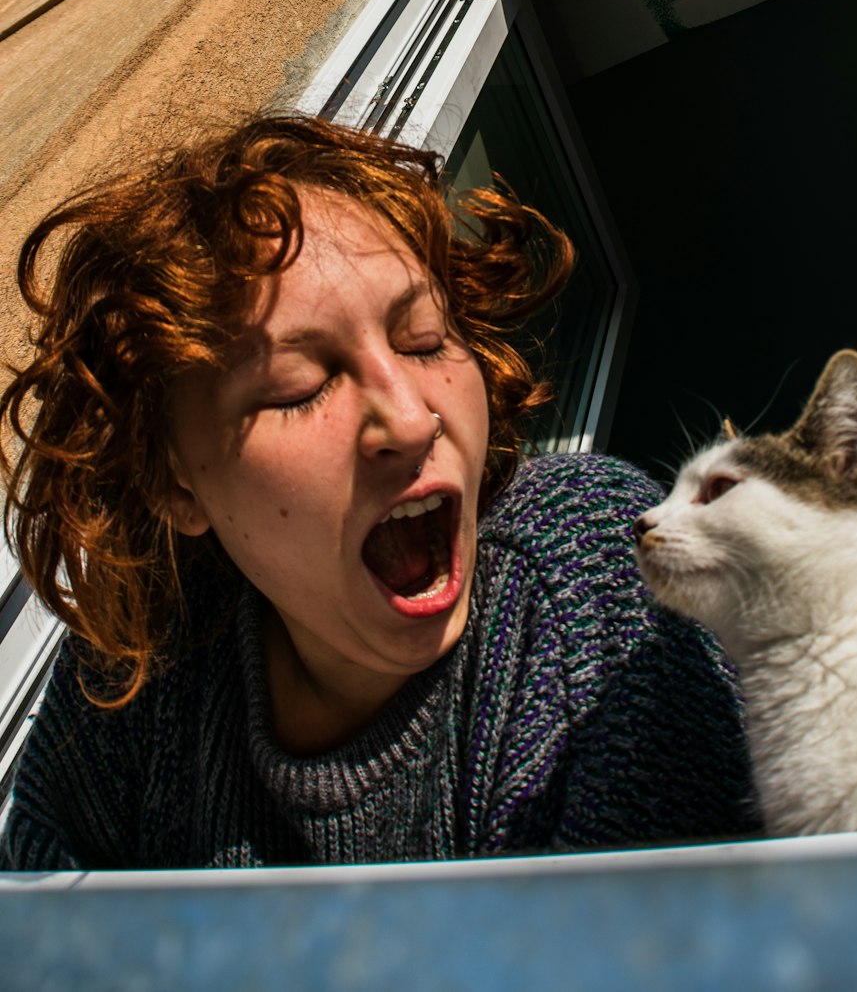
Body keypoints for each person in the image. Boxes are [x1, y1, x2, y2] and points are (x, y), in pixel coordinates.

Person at [0, 113, 755, 870]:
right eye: (299, 387)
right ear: (172, 482)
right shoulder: (135, 672)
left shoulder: (586, 569)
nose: (409, 418)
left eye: (425, 339)